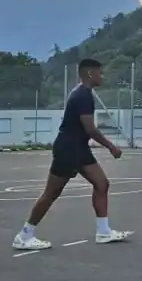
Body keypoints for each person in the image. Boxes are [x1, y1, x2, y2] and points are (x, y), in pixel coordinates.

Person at [13, 58, 130, 250]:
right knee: (51, 193)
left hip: (78, 148)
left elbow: (86, 130)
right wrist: (111, 147)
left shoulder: (84, 93)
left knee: (102, 184)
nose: (103, 76)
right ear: (90, 73)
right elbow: (90, 129)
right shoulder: (82, 95)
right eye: (100, 72)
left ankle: (103, 231)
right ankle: (24, 235)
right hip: (68, 149)